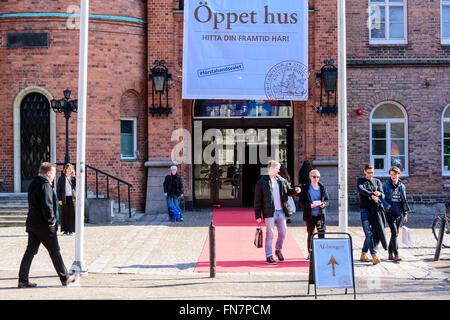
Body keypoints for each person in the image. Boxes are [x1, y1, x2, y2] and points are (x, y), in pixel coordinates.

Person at [18, 162, 76, 288]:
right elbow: (47, 205)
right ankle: (65, 278)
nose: (54, 176)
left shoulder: (34, 183)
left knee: (30, 252)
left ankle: (22, 279)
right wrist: (52, 221)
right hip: (44, 226)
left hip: (33, 224)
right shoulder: (45, 185)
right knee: (55, 252)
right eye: (53, 174)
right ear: (48, 173)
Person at [254, 160, 301, 264]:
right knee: (270, 233)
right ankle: (269, 255)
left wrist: (295, 190)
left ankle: (278, 249)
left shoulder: (281, 180)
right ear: (271, 168)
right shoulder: (262, 182)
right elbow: (257, 201)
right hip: (269, 212)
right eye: (277, 168)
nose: (279, 170)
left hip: (281, 211)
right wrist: (258, 215)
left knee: (283, 232)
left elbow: (289, 191)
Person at [357, 164, 385, 265]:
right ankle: (374, 255)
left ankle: (363, 253)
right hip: (365, 210)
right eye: (369, 172)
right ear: (365, 171)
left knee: (371, 233)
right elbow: (361, 189)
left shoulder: (377, 181)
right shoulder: (360, 180)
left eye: (372, 172)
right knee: (368, 233)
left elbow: (383, 193)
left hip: (375, 211)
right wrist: (372, 194)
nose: (371, 174)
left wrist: (379, 194)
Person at [299, 169, 329, 260]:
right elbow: (301, 201)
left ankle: (321, 252)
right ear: (310, 177)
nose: (316, 179)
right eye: (314, 177)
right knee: (311, 234)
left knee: (321, 233)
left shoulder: (322, 187)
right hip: (310, 215)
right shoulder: (306, 188)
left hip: (320, 215)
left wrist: (324, 204)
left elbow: (327, 200)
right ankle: (310, 252)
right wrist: (309, 205)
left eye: (318, 177)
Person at [381, 166, 410, 263]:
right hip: (389, 212)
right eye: (391, 174)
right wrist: (388, 206)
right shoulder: (385, 185)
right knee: (394, 233)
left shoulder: (402, 186)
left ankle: (390, 254)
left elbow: (404, 200)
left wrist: (405, 213)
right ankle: (396, 254)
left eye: (395, 174)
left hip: (399, 212)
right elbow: (382, 199)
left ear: (399, 174)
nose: (393, 176)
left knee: (395, 234)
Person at [57, 163, 76, 236]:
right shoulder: (62, 178)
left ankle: (71, 230)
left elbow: (77, 186)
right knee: (64, 214)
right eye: (69, 169)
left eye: (71, 169)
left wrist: (74, 177)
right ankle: (65, 230)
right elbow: (59, 189)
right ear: (66, 169)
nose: (70, 170)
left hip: (72, 198)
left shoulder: (73, 178)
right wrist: (59, 199)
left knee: (72, 214)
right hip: (64, 198)